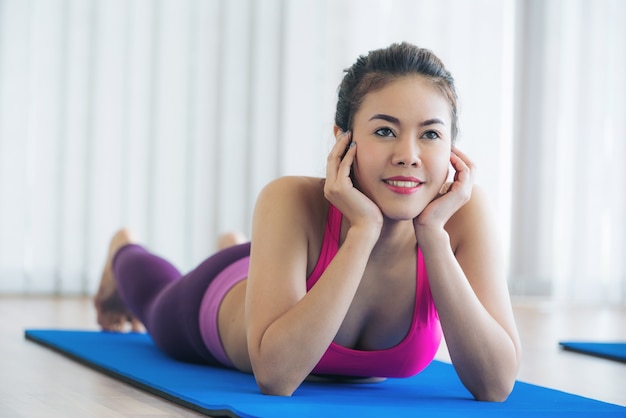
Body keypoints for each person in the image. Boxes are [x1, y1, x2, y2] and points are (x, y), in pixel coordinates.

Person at [94, 42, 521, 402]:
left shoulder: (463, 216)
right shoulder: (289, 198)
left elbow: (496, 385)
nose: (408, 154)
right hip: (222, 296)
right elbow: (277, 378)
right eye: (385, 131)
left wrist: (432, 235)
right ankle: (123, 249)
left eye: (430, 134)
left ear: (452, 148)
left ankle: (234, 243)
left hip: (289, 264)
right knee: (153, 300)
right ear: (343, 139)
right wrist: (362, 233)